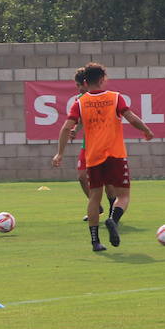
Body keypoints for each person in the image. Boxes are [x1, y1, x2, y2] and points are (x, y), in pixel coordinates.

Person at [51, 63, 155, 252]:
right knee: (123, 195)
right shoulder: (115, 98)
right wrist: (146, 130)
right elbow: (131, 118)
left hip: (94, 156)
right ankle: (112, 220)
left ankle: (95, 242)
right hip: (115, 154)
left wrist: (60, 153)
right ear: (102, 80)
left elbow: (66, 128)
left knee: (94, 197)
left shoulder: (80, 103)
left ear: (84, 81)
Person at [68, 67, 116, 221]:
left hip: (104, 146)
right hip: (87, 145)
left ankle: (112, 214)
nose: (77, 89)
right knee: (82, 177)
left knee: (108, 182)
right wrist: (76, 129)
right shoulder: (79, 100)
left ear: (85, 83)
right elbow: (81, 121)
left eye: (78, 85)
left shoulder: (103, 98)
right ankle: (96, 206)